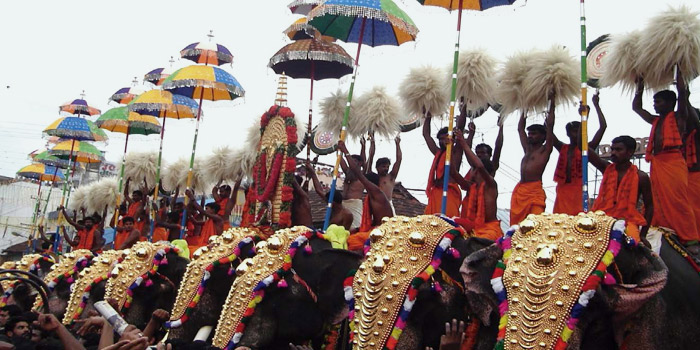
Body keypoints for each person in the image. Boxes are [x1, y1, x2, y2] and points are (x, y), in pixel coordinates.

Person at [633, 73, 699, 246]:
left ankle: (691, 238)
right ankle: (660, 229)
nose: (655, 105)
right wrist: (639, 85)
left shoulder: (679, 118)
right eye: (654, 102)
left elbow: (683, 95)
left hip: (674, 162)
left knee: (678, 199)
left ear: (671, 103)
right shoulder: (655, 120)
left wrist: (680, 70)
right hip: (658, 163)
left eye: (658, 102)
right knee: (655, 199)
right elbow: (637, 108)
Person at [588, 136, 653, 244]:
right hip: (601, 220)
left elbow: (650, 206)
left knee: (633, 246)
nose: (613, 153)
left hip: (627, 222)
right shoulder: (606, 168)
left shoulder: (641, 177)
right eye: (612, 149)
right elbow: (583, 148)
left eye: (618, 150)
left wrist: (643, 235)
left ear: (630, 152)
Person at [552, 93, 607, 215]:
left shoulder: (588, 148)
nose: (575, 133)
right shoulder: (562, 147)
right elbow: (549, 131)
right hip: (562, 190)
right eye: (573, 131)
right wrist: (551, 105)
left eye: (578, 130)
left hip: (579, 190)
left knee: (579, 221)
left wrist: (594, 108)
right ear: (567, 133)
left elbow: (603, 127)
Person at [338, 141, 393, 251]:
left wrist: (346, 151)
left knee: (352, 241)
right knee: (353, 234)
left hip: (384, 231)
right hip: (376, 227)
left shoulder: (376, 193)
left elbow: (359, 172)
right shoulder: (371, 196)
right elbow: (374, 220)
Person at [511, 92, 556, 225]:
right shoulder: (527, 149)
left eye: (534, 134)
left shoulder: (545, 150)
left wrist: (551, 103)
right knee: (517, 228)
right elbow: (520, 128)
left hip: (535, 191)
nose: (530, 136)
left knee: (535, 224)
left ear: (543, 136)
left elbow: (551, 126)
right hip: (521, 191)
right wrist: (525, 106)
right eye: (529, 134)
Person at [453, 130, 502, 241]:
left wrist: (463, 142)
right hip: (473, 227)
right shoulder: (472, 186)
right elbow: (454, 173)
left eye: (474, 170)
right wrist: (449, 148)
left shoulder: (491, 184)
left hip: (489, 229)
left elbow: (479, 166)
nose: (472, 172)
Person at [423, 113, 462, 216]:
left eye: (445, 138)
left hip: (450, 193)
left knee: (449, 224)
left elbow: (460, 128)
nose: (443, 141)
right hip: (437, 192)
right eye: (440, 139)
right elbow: (426, 135)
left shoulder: (456, 152)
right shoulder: (438, 152)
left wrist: (464, 107)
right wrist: (428, 115)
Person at [306, 160, 354, 231]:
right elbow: (319, 190)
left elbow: (344, 234)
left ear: (333, 203)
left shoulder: (347, 215)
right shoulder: (331, 205)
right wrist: (312, 173)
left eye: (327, 201)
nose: (326, 202)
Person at [368, 135, 402, 215]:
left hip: (388, 205)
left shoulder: (391, 177)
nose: (386, 169)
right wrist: (372, 141)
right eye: (383, 166)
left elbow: (399, 160)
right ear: (377, 167)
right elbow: (370, 157)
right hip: (375, 205)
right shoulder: (372, 178)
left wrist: (397, 144)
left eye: (387, 167)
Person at [340, 154, 367, 230]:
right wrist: (337, 148)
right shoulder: (348, 172)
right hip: (344, 203)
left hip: (355, 204)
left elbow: (365, 160)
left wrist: (364, 145)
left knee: (355, 228)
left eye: (354, 161)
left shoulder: (362, 174)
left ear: (360, 163)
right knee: (343, 227)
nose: (351, 163)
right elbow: (340, 159)